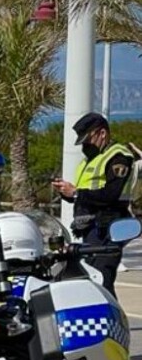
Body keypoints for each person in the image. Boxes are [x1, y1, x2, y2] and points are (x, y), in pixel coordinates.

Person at [51, 112, 137, 297]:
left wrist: (75, 193)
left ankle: (110, 322)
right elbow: (85, 194)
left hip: (110, 227)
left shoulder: (119, 157)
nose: (85, 145)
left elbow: (110, 194)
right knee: (92, 279)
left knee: (101, 279)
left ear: (102, 134)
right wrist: (68, 193)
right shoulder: (90, 160)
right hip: (92, 229)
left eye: (88, 139)